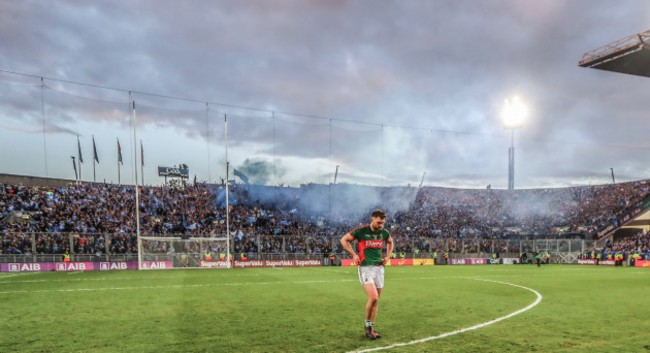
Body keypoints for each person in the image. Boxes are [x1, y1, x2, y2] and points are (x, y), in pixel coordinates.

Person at [340, 209, 394, 340]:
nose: (381, 225)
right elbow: (344, 240)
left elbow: (390, 242)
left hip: (379, 268)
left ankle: (371, 328)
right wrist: (353, 254)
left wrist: (388, 256)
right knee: (374, 297)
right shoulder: (361, 231)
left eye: (383, 223)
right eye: (379, 222)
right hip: (365, 267)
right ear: (372, 220)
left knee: (376, 301)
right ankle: (367, 325)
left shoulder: (384, 233)